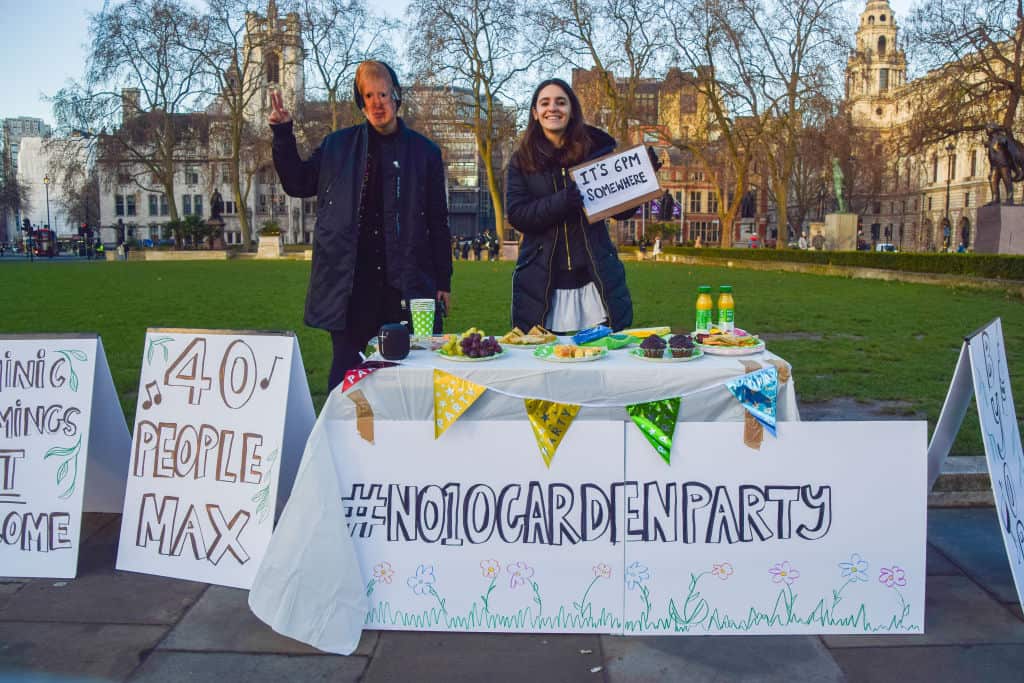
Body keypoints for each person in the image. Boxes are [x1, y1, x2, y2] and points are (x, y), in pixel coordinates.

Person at [269, 60, 452, 391]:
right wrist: (283, 134)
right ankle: (346, 439)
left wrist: (444, 281)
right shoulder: (338, 146)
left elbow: (438, 221)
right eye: (368, 96)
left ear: (396, 96)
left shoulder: (425, 153)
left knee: (413, 377)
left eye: (382, 94)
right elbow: (298, 183)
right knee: (346, 378)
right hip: (350, 285)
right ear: (360, 101)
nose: (377, 103)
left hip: (406, 282)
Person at [506, 78, 645, 334]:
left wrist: (641, 181)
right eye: (545, 103)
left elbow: (622, 211)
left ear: (571, 110)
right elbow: (517, 215)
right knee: (544, 364)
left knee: (602, 363)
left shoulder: (596, 151)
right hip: (542, 281)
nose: (553, 108)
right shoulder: (521, 161)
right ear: (535, 113)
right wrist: (562, 201)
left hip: (596, 277)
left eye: (561, 102)